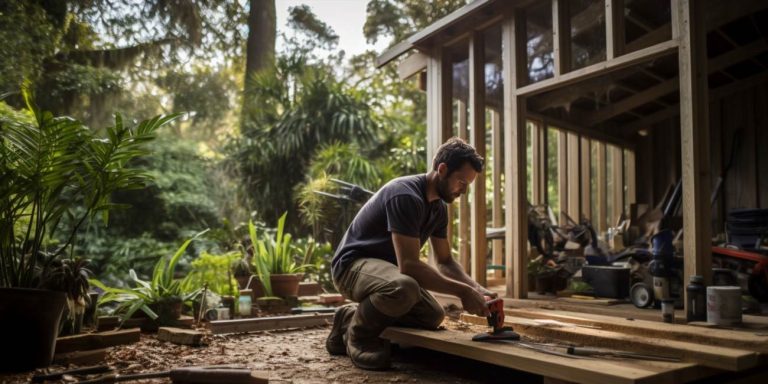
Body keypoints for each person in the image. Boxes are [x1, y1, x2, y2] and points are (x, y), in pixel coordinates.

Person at [325, 137, 495, 370]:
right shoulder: (405, 195)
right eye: (461, 182)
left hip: (387, 274)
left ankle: (350, 317)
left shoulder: (438, 209)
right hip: (352, 266)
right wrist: (462, 292)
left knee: (432, 315)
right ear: (442, 169)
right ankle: (359, 338)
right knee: (404, 288)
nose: (463, 191)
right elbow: (409, 266)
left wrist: (476, 289)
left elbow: (445, 261)